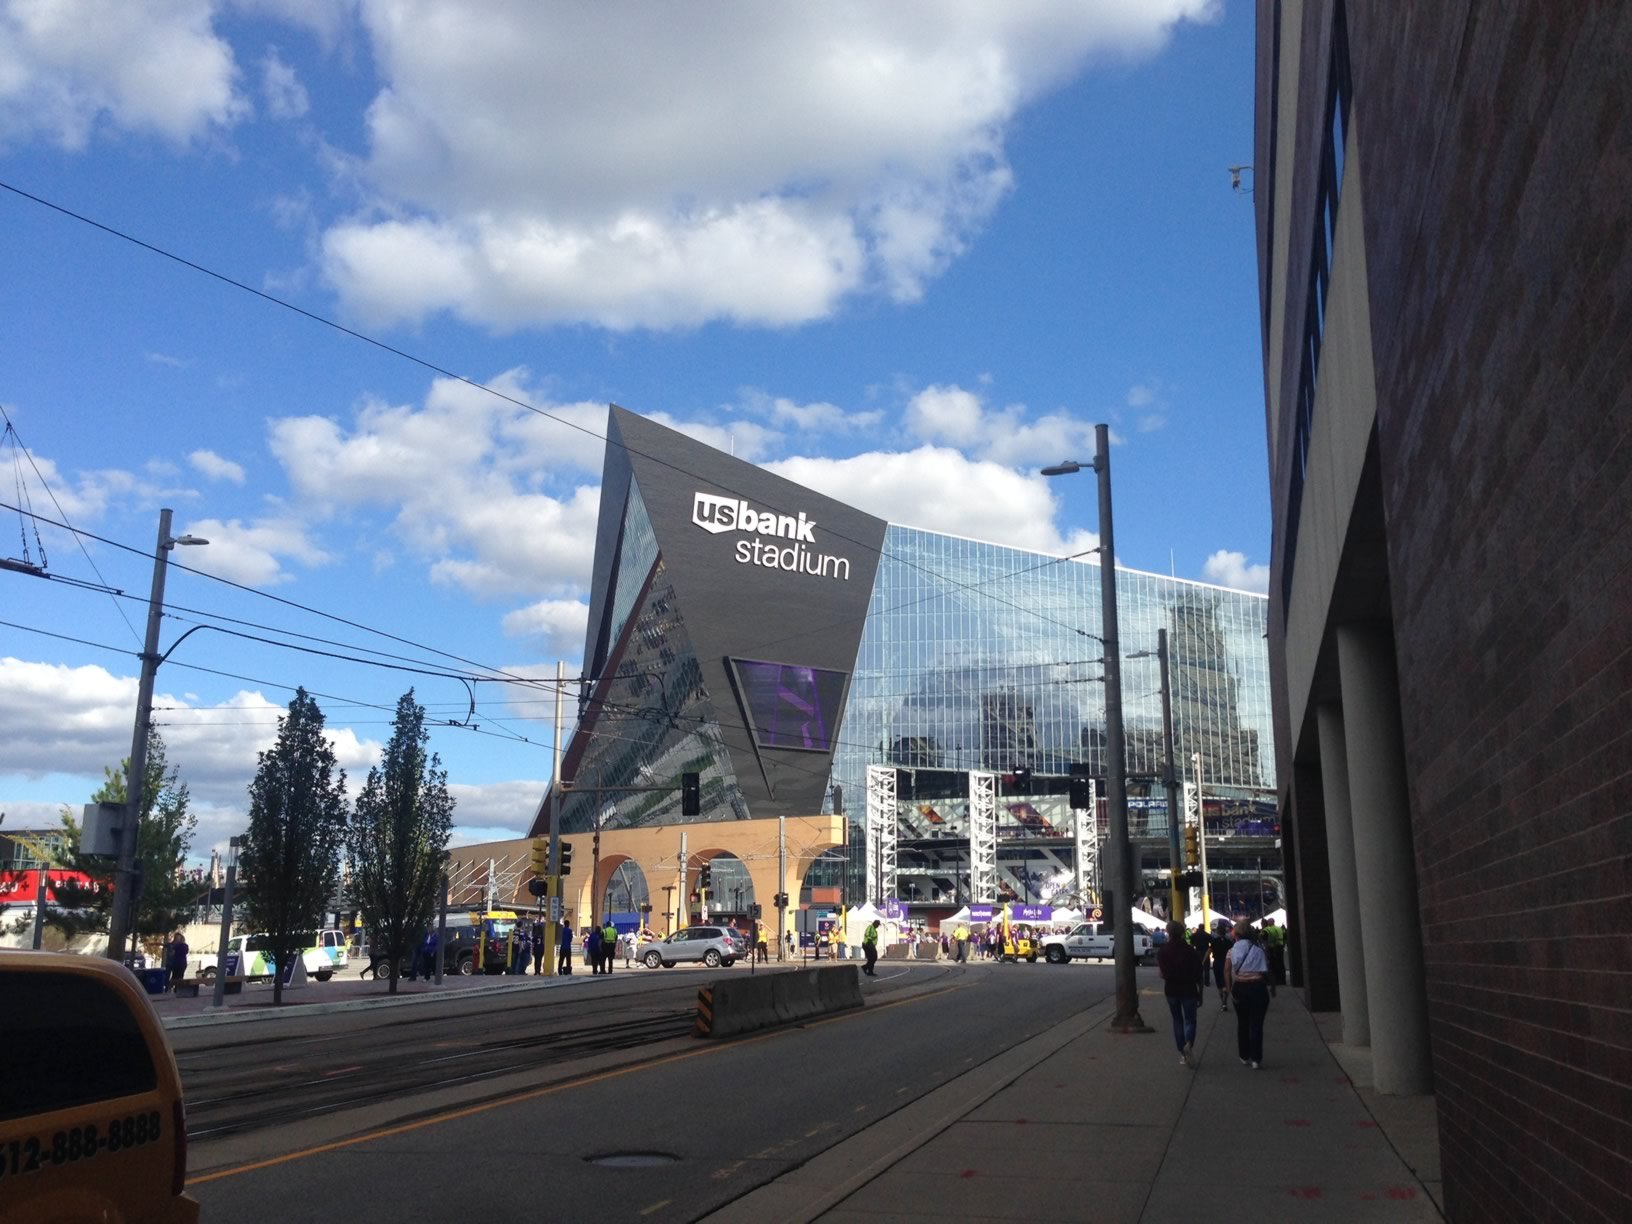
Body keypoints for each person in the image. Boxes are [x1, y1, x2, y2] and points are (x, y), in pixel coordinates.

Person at [1226, 919, 1274, 1068]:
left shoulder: (1232, 950)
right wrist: (1272, 986)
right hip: (1258, 988)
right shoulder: (1259, 949)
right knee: (1257, 1024)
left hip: (1240, 987)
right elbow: (1267, 969)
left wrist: (1229, 990)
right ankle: (1256, 1058)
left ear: (1237, 934)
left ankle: (1244, 1055)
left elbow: (1226, 971)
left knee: (1243, 1023)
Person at [1158, 920, 1204, 1067]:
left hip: (1171, 990)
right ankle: (1188, 1044)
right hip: (1189, 989)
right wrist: (1200, 992)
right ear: (1183, 933)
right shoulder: (1190, 950)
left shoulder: (1163, 950)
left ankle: (1183, 1052)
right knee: (1190, 1020)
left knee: (1177, 1020)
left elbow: (1161, 973)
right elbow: (1199, 973)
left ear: (1168, 932)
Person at [1210, 921, 1232, 1011]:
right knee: (1226, 982)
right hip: (1226, 962)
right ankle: (1224, 1001)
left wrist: (1203, 961)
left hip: (1217, 963)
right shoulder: (1228, 942)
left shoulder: (1214, 941)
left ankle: (1223, 1002)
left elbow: (1209, 951)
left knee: (1219, 983)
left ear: (1217, 932)